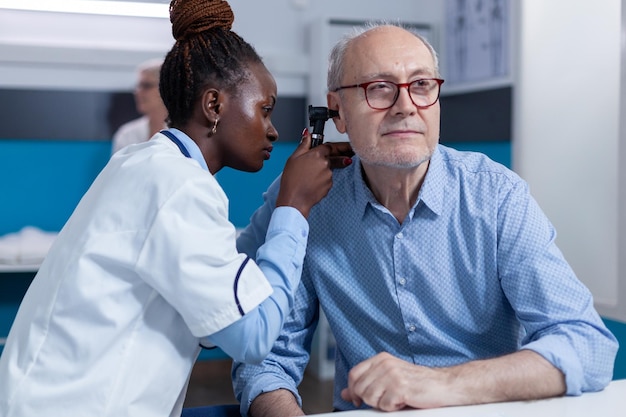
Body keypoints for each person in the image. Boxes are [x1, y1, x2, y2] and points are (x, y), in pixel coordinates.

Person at [232, 22, 619, 415]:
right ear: (338, 112)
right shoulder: (311, 201)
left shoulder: (497, 197)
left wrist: (440, 384)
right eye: (379, 87)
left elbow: (587, 345)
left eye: (421, 85)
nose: (405, 106)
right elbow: (266, 360)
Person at [0, 0, 352, 416]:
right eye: (265, 110)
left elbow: (220, 289)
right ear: (215, 106)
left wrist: (283, 197)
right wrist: (294, 207)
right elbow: (254, 332)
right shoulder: (180, 186)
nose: (273, 130)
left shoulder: (144, 164)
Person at [111, 58, 168, 154]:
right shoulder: (127, 135)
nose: (137, 92)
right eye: (138, 86)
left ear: (165, 88)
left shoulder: (184, 133)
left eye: (146, 86)